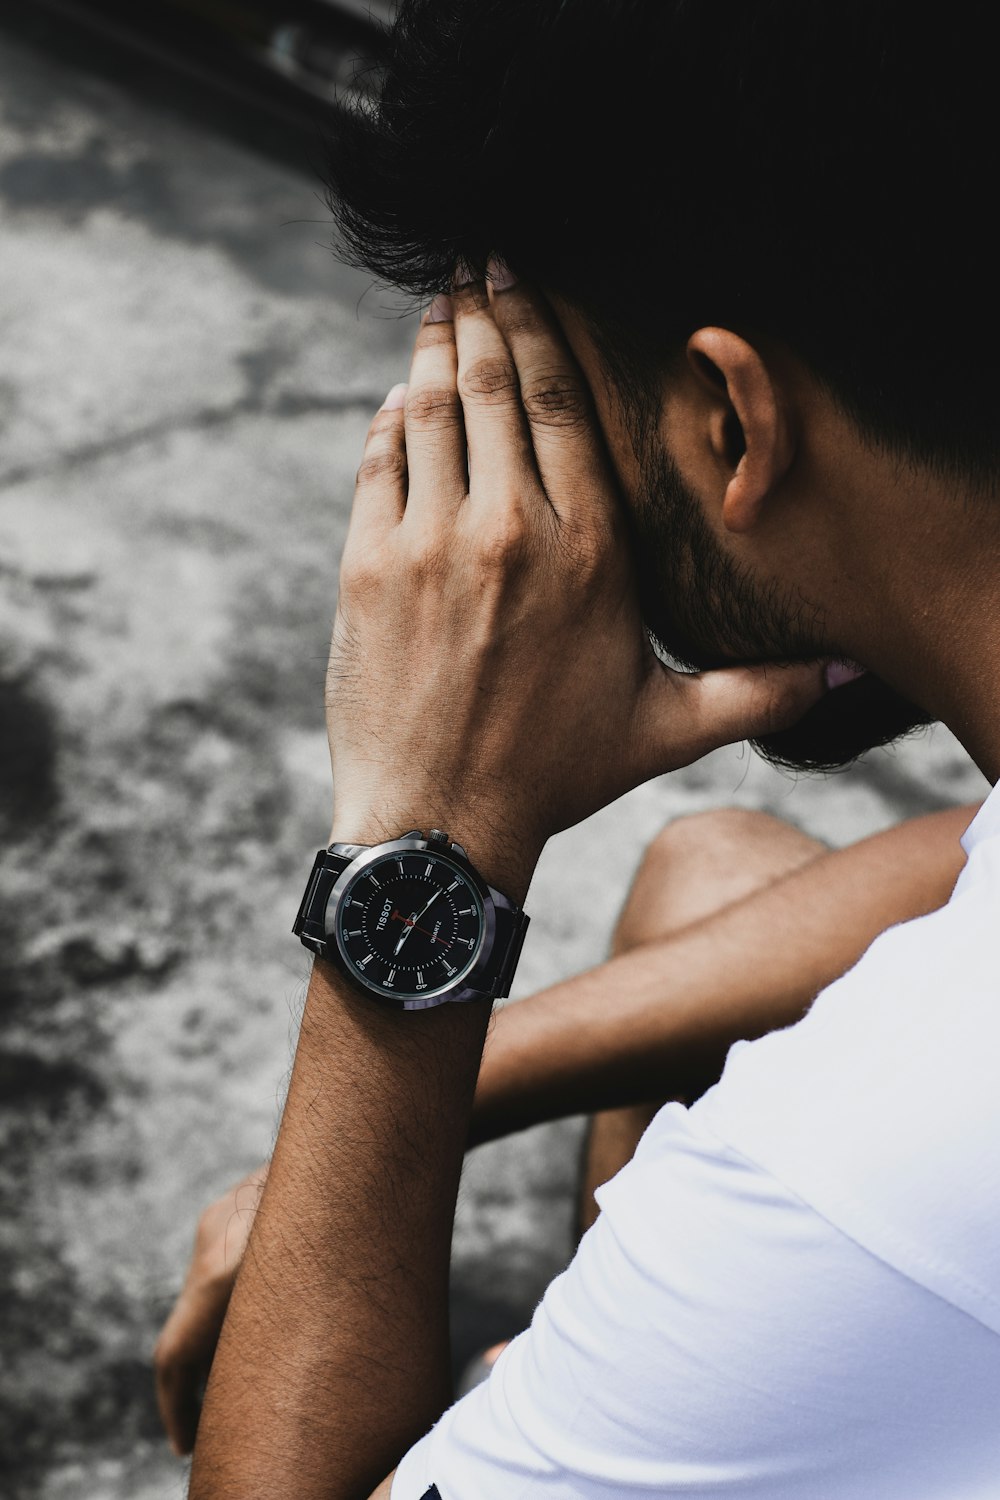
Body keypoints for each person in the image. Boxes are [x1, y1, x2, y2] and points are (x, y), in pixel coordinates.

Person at [178, 3, 1000, 1496]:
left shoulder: (856, 1171)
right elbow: (965, 857)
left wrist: (431, 845)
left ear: (731, 425)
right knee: (712, 868)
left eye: (561, 408)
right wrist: (500, 1069)